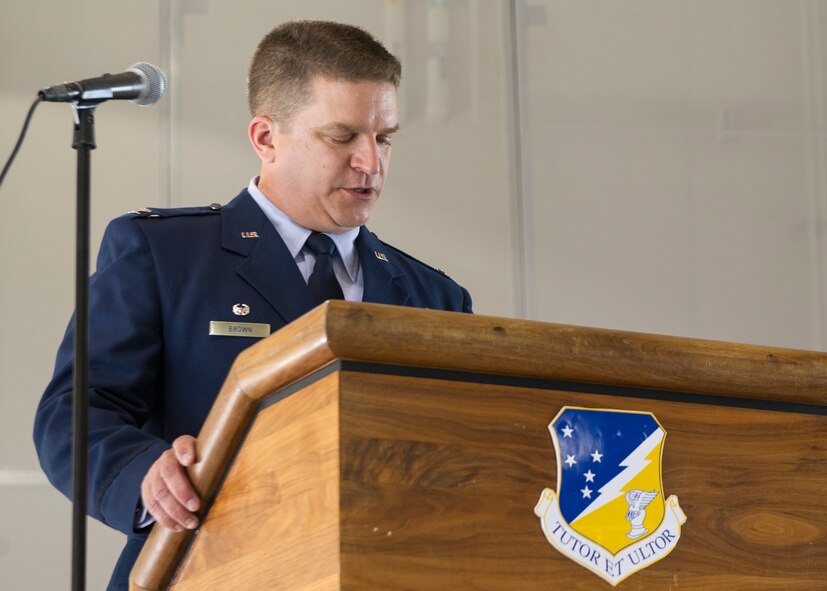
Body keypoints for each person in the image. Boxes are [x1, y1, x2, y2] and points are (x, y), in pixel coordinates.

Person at [34, 20, 472, 591]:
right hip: (208, 568)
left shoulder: (436, 297)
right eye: (342, 137)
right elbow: (75, 412)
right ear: (266, 138)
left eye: (384, 137)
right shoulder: (164, 254)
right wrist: (145, 474)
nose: (371, 163)